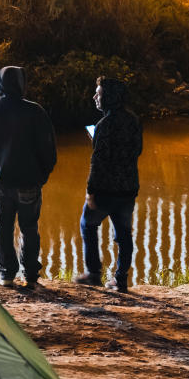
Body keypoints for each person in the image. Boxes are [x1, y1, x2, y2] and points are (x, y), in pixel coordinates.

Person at [0, 66, 57, 288]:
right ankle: (30, 274)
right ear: (21, 83)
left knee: (3, 225)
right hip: (29, 181)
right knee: (29, 227)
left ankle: (6, 274)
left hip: (0, 180)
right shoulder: (36, 111)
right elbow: (48, 150)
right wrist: (42, 175)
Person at [75, 77, 143, 293]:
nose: (95, 97)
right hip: (128, 188)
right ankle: (120, 279)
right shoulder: (134, 121)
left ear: (110, 97)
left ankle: (93, 273)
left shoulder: (104, 125)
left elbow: (98, 161)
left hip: (105, 190)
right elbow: (137, 151)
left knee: (88, 224)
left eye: (99, 93)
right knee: (124, 234)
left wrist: (90, 191)